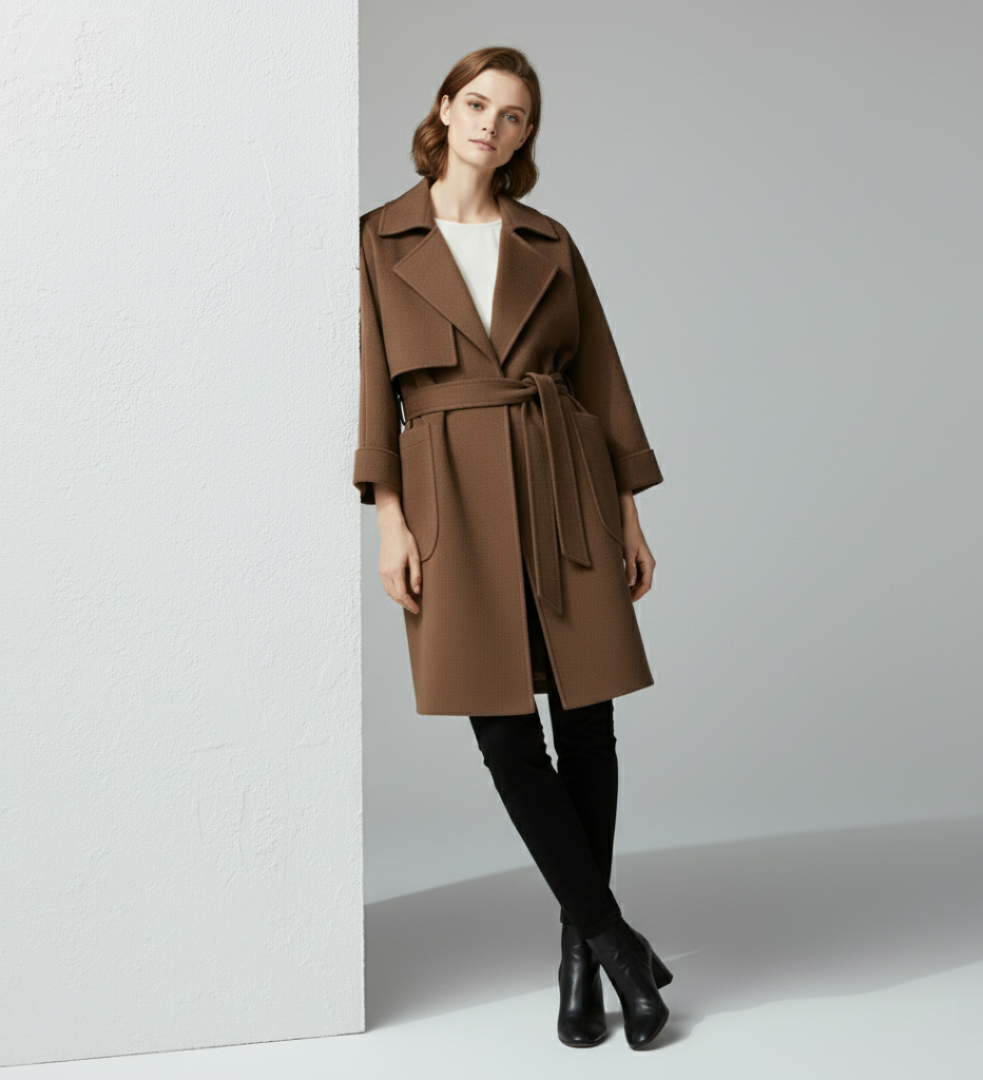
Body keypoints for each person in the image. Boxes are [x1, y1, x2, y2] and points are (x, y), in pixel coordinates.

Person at [353, 45, 672, 1049]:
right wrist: (389, 518)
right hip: (449, 488)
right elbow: (371, 386)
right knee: (503, 732)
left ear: (527, 135)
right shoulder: (379, 237)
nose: (493, 124)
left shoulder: (548, 240)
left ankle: (581, 954)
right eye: (479, 103)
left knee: (587, 719)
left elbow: (602, 374)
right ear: (445, 109)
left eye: (516, 114)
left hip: (561, 473)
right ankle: (615, 942)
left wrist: (627, 511)